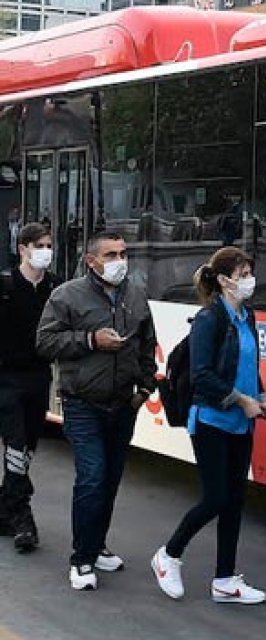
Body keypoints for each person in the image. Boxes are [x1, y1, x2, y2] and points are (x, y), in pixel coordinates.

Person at [150, 247, 266, 605]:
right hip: (211, 419)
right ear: (224, 281)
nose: (250, 281)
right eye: (243, 275)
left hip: (241, 423)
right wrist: (241, 400)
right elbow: (202, 376)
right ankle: (168, 555)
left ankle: (225, 579)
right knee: (215, 498)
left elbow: (249, 366)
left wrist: (262, 398)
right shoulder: (209, 319)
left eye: (250, 273)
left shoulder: (248, 316)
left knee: (235, 500)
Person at [36, 231, 158, 591]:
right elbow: (45, 342)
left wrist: (145, 389)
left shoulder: (135, 295)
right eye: (110, 255)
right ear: (91, 262)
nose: (120, 261)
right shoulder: (66, 296)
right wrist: (91, 340)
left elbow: (147, 344)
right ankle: (82, 559)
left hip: (122, 403)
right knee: (92, 477)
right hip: (82, 402)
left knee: (110, 479)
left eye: (123, 253)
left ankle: (97, 544)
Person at [0, 223, 61, 553]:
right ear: (22, 249)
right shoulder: (5, 285)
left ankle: (6, 506)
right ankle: (23, 517)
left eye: (49, 245)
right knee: (16, 444)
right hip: (7, 380)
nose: (45, 251)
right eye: (39, 245)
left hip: (39, 378)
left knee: (27, 449)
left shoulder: (56, 288)